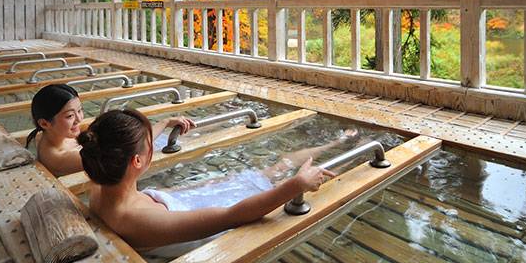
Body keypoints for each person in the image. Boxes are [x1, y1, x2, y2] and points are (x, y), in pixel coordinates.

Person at [77, 109, 336, 252]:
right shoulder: (136, 220)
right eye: (150, 145)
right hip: (206, 222)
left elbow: (123, 145)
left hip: (181, 202)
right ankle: (337, 142)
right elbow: (232, 216)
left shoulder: (100, 180)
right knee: (277, 170)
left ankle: (337, 141)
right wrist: (296, 186)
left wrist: (165, 122)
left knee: (272, 169)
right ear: (136, 161)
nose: (153, 147)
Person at [27, 84, 195, 177]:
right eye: (70, 115)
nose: (79, 119)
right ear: (45, 123)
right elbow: (130, 145)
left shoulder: (47, 135)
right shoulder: (59, 157)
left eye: (80, 110)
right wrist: (165, 122)